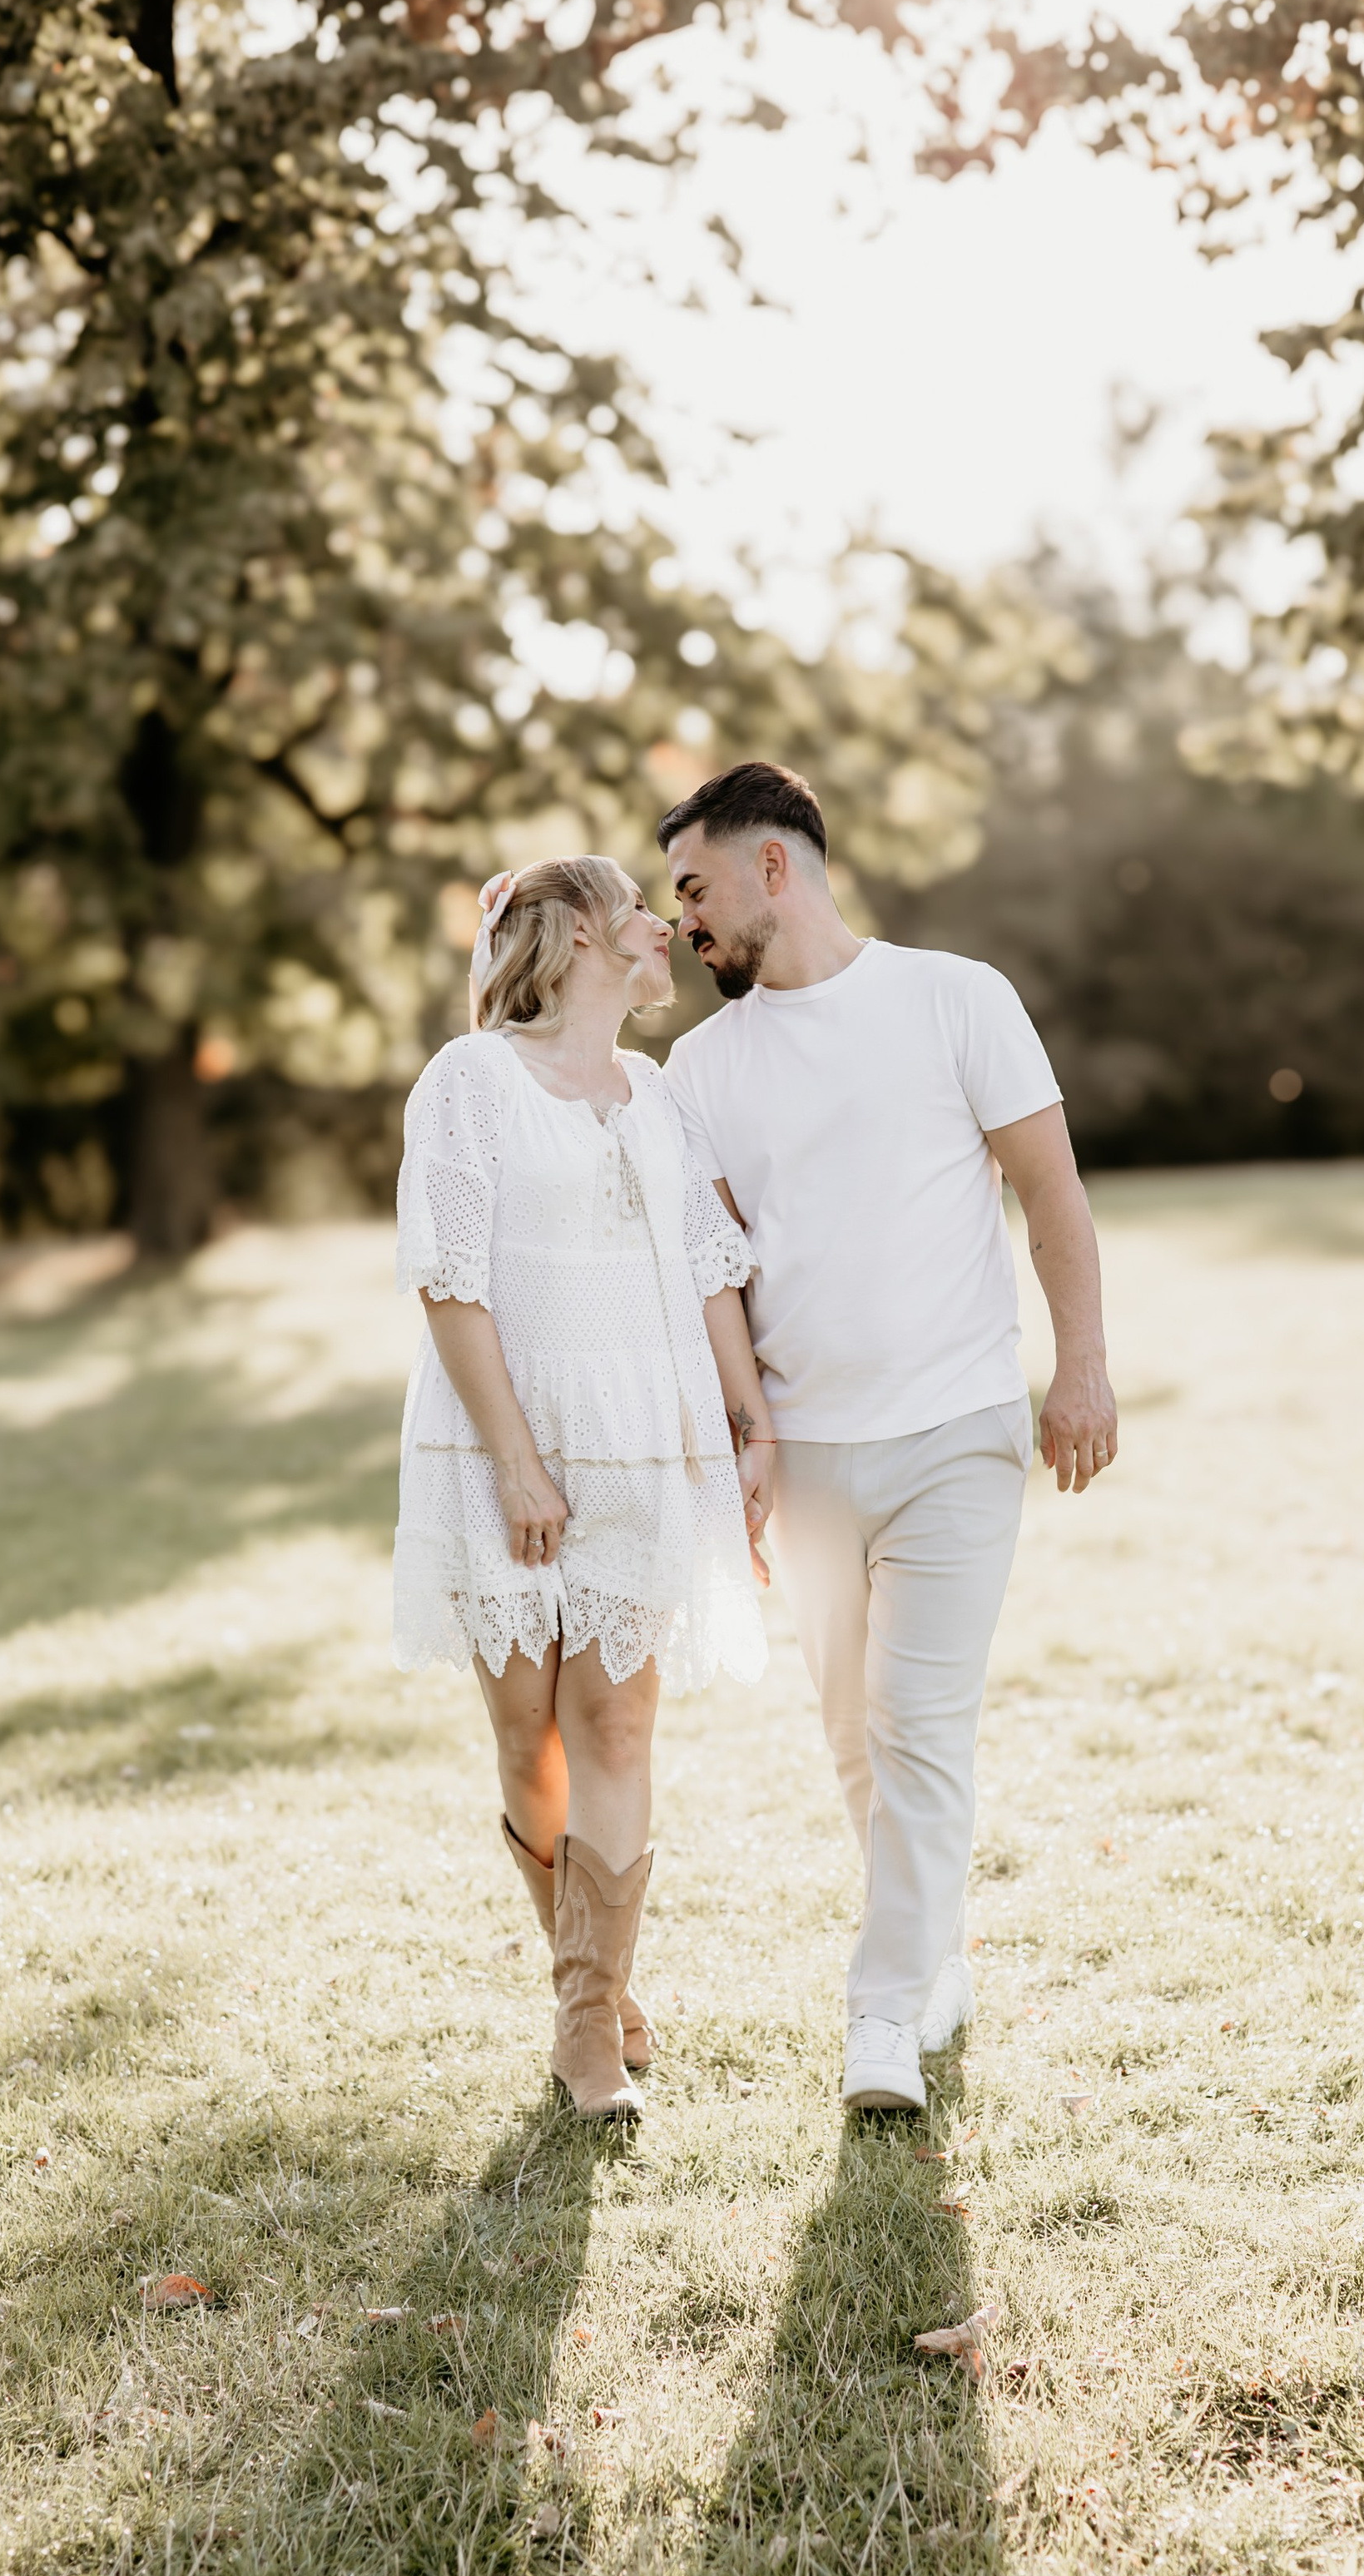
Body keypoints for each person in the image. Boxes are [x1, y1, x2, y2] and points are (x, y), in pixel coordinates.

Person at [658, 761, 1118, 2116]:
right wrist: (745, 1439)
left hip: (957, 1431)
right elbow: (716, 1275)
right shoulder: (699, 1068)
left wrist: (1079, 1368)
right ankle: (933, 1958)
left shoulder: (956, 999)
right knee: (854, 1736)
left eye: (695, 888)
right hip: (806, 1452)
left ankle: (878, 2019)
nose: (683, 920)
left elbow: (1051, 1191)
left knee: (917, 1726)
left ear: (774, 870)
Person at [392, 854, 774, 2116]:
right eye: (640, 915)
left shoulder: (659, 1096)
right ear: (569, 938)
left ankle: (584, 2021)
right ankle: (597, 1980)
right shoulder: (472, 1082)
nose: (665, 931)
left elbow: (713, 1265)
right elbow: (450, 1278)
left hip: (643, 1442)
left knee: (615, 1722)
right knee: (527, 1733)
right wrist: (517, 1462)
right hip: (505, 1439)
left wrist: (746, 1424)